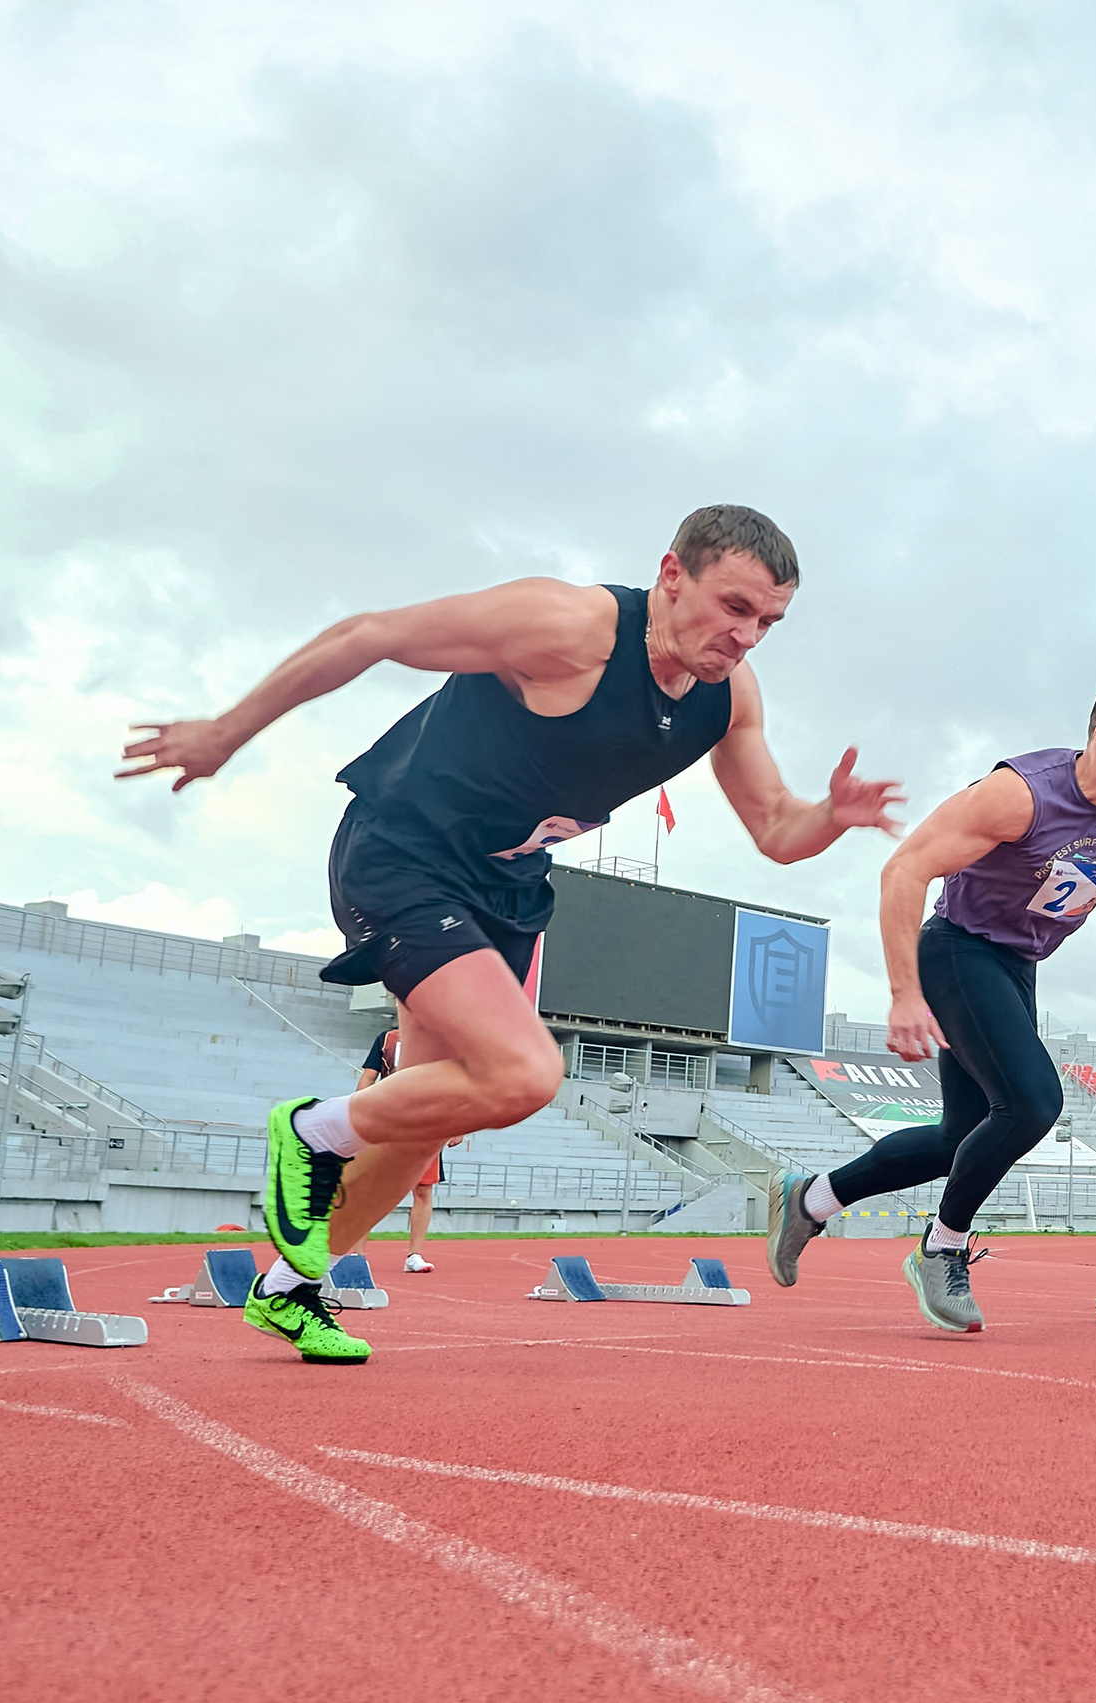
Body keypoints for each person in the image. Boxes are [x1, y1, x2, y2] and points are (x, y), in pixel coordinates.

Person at [119, 504, 902, 1363]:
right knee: (522, 1071)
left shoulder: (728, 695)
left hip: (507, 887)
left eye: (767, 622)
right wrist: (224, 733)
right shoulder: (566, 628)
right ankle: (310, 1131)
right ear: (672, 574)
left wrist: (832, 815)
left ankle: (291, 1288)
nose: (746, 636)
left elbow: (776, 830)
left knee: (423, 1114)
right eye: (734, 606)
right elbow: (372, 632)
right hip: (407, 856)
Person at [761, 679, 1096, 1332]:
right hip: (957, 949)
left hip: (1017, 967)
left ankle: (809, 1199)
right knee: (1034, 1102)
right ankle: (942, 1247)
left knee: (960, 1138)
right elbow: (904, 869)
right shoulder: (1023, 793)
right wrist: (904, 992)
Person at [351, 1027, 454, 1273]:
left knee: (423, 1189)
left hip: (427, 1125)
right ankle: (357, 1255)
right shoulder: (386, 1038)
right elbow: (368, 1077)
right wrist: (359, 1110)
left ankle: (414, 1255)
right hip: (389, 1121)